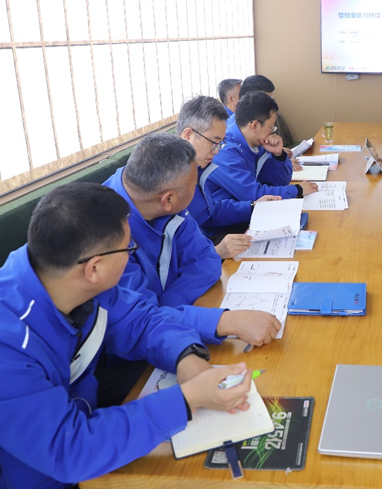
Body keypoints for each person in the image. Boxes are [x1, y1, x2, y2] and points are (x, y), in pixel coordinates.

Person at [0, 182, 254, 488]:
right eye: (129, 248)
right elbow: (68, 450)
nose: (131, 255)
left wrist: (186, 356)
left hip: (73, 436)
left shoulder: (69, 278)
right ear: (94, 267)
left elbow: (140, 319)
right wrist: (187, 399)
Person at [103, 134, 281, 347]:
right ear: (168, 199)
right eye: (195, 185)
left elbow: (206, 259)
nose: (196, 190)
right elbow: (133, 324)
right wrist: (220, 321)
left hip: (163, 325)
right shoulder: (104, 235)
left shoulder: (161, 201)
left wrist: (166, 310)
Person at [176, 95, 280, 245]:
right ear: (188, 135)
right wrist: (217, 251)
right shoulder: (169, 179)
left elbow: (210, 211)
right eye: (214, 142)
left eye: (220, 143)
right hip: (204, 246)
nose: (217, 151)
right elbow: (174, 247)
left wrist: (252, 206)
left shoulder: (198, 167)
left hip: (207, 243)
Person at [207, 91, 318, 202]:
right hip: (232, 210)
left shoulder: (257, 142)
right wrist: (297, 190)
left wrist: (278, 156)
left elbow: (279, 181)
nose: (272, 132)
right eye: (271, 127)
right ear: (254, 125)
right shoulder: (225, 151)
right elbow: (253, 194)